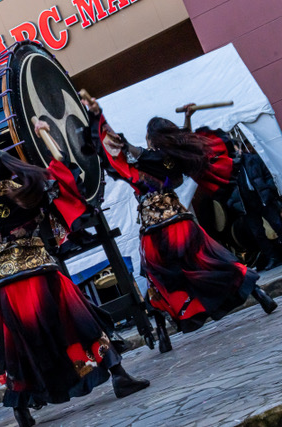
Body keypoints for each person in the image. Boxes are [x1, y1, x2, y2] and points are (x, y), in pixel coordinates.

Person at [0, 132, 149, 427]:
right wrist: (45, 137)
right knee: (82, 324)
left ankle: (21, 411)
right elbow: (65, 178)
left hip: (8, 284)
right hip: (43, 274)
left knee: (19, 344)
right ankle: (119, 375)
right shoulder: (33, 192)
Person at [82, 97, 277, 337]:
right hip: (181, 222)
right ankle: (256, 291)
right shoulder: (176, 159)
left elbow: (124, 149)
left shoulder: (147, 159)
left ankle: (164, 333)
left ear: (152, 137)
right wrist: (187, 119)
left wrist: (101, 120)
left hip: (155, 231)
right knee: (211, 261)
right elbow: (183, 141)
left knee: (157, 277)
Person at [228, 143, 282, 270]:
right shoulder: (229, 168)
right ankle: (273, 257)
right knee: (258, 233)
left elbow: (268, 174)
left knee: (278, 225)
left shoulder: (253, 159)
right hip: (246, 204)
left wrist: (269, 190)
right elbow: (229, 188)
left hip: (262, 198)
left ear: (239, 148)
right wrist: (233, 202)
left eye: (235, 149)